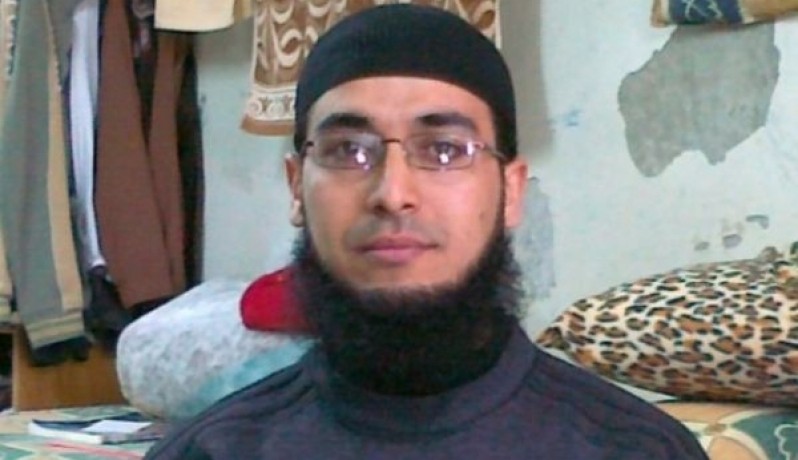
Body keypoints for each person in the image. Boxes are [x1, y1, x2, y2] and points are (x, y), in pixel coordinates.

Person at [145, 5, 709, 459]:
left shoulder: (634, 449)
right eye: (348, 150)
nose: (393, 193)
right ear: (296, 187)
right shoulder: (210, 450)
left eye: (444, 150)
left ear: (511, 190)